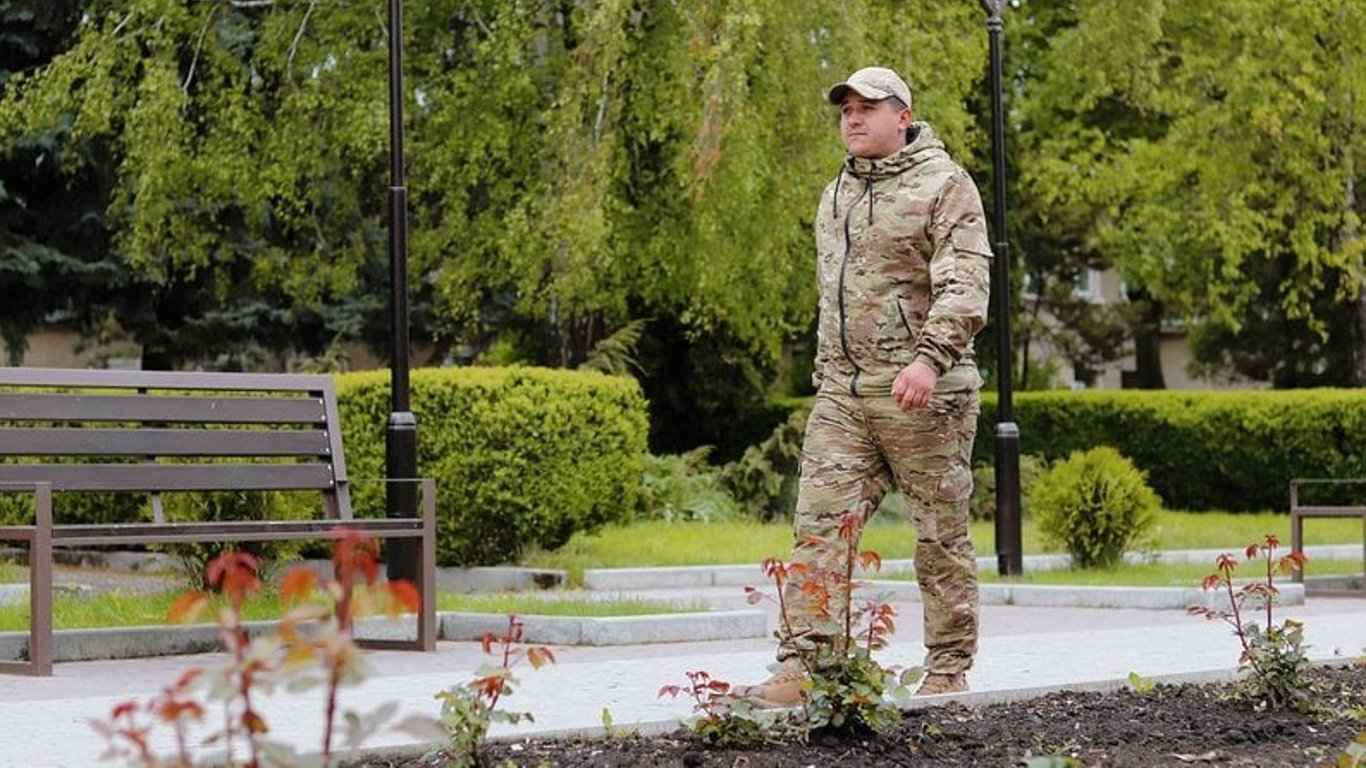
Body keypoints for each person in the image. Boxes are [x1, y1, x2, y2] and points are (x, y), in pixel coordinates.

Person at [736, 66, 992, 707]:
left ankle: (948, 667)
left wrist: (929, 361)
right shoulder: (836, 194)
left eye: (868, 107)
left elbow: (966, 285)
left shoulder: (945, 185)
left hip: (924, 394)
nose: (852, 118)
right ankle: (806, 667)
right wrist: (828, 376)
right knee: (819, 530)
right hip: (845, 397)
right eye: (846, 108)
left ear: (902, 116)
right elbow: (834, 299)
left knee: (939, 535)